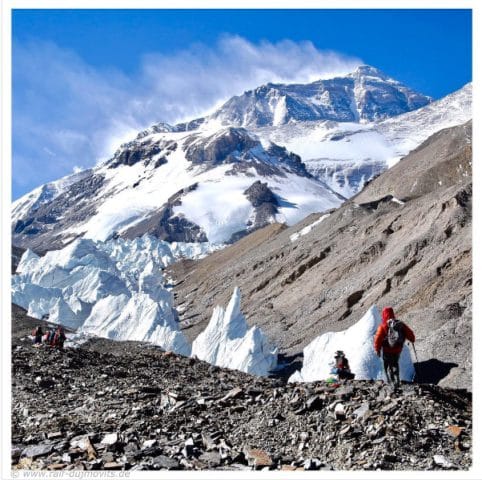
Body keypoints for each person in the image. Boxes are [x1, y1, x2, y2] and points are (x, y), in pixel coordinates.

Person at [374, 307, 415, 386]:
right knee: (395, 363)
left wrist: (377, 349)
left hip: (387, 350)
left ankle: (390, 381)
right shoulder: (400, 324)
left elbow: (377, 339)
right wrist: (412, 339)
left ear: (384, 315)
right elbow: (410, 334)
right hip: (397, 350)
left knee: (387, 364)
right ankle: (397, 380)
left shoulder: (383, 326)